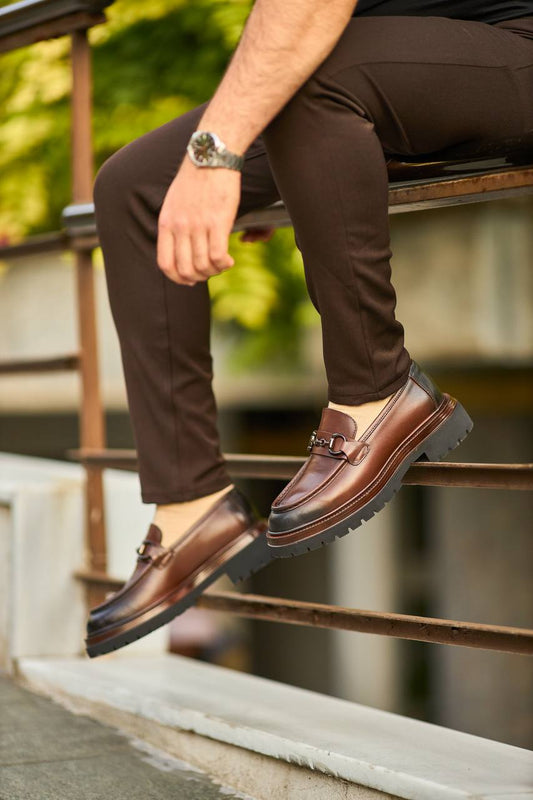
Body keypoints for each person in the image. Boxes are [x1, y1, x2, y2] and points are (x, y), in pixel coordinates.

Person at [85, 0, 533, 657]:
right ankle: (190, 506)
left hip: (508, 48)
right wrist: (281, 170)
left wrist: (219, 158)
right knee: (136, 186)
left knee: (308, 77)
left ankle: (375, 389)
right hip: (399, 65)